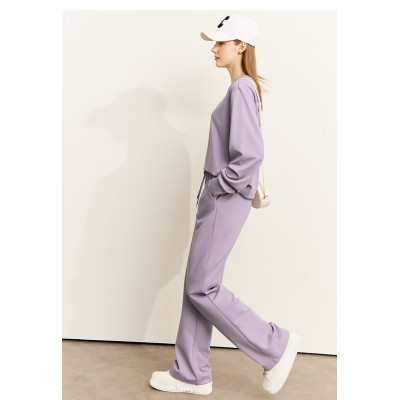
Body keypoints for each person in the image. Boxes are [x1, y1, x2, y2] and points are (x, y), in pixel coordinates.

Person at [150, 15, 300, 396]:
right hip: (220, 199)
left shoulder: (241, 89)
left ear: (241, 46)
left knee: (203, 286)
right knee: (196, 284)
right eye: (214, 43)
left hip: (225, 200)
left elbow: (250, 155)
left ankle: (275, 345)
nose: (214, 49)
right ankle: (191, 371)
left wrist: (217, 187)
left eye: (221, 42)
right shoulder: (240, 89)